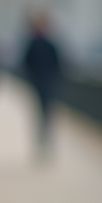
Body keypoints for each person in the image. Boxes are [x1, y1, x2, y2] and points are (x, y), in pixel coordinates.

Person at [21, 9, 62, 156]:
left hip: (47, 82)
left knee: (46, 111)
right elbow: (26, 63)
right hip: (38, 82)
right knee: (41, 111)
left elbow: (59, 64)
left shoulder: (49, 43)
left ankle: (45, 137)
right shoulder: (34, 43)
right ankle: (42, 138)